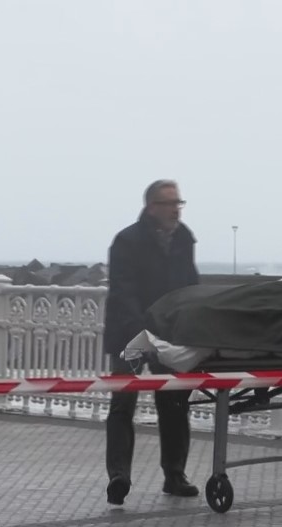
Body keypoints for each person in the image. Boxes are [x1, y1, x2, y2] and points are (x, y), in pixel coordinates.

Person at [101, 179, 201, 505]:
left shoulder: (184, 238)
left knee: (174, 404)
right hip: (134, 333)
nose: (176, 209)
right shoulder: (127, 241)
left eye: (179, 203)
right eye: (170, 203)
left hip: (169, 334)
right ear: (151, 207)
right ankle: (119, 475)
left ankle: (175, 475)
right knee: (123, 404)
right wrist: (143, 331)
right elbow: (123, 291)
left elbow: (190, 284)